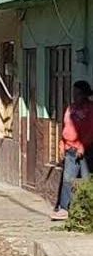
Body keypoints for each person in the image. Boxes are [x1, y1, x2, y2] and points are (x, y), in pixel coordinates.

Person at [51, 80, 93, 221]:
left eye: (78, 93)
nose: (74, 96)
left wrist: (83, 145)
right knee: (67, 179)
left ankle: (87, 209)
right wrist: (62, 144)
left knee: (86, 180)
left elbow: (91, 130)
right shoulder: (71, 109)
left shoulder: (90, 109)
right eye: (73, 93)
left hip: (85, 151)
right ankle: (64, 208)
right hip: (70, 149)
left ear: (85, 95)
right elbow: (66, 127)